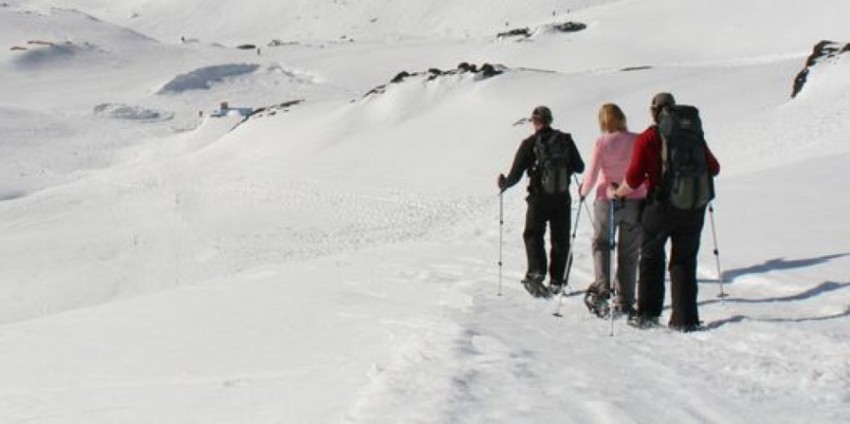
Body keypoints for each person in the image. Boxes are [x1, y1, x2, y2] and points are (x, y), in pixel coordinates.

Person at [609, 93, 720, 332]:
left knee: (651, 257)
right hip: (693, 206)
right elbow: (714, 168)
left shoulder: (649, 137)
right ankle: (685, 319)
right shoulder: (694, 135)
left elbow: (634, 177)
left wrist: (618, 193)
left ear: (654, 111)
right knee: (684, 260)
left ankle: (647, 314)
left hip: (660, 206)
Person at [498, 106, 585, 297]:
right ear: (550, 120)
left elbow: (516, 174)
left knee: (533, 234)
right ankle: (557, 280)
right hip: (562, 197)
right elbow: (580, 167)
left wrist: (504, 184)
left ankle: (536, 273)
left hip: (538, 197)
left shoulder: (529, 143)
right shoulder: (565, 139)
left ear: (535, 122)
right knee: (560, 238)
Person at [579, 103, 646, 318]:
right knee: (629, 252)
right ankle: (626, 299)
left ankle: (602, 289)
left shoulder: (602, 142)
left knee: (602, 243)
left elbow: (592, 173)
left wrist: (583, 191)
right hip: (635, 199)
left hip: (606, 199)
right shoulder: (637, 140)